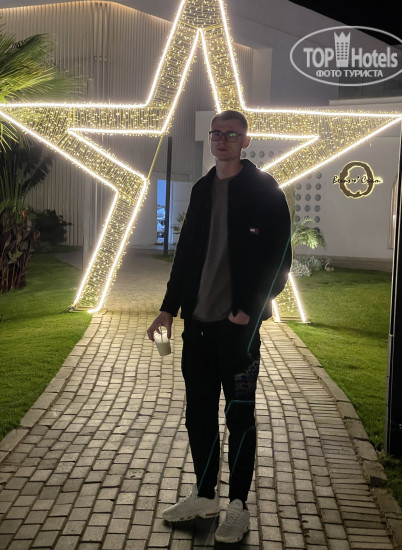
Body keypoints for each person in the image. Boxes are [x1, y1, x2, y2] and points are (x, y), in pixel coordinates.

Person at [147, 110, 291, 544]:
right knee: (199, 415)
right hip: (198, 329)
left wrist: (250, 310)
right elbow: (186, 254)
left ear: (246, 141)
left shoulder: (264, 191)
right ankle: (206, 495)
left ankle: (238, 505)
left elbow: (280, 259)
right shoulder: (202, 189)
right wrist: (168, 309)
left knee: (239, 416)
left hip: (238, 334)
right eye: (216, 133)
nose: (222, 139)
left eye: (231, 134)